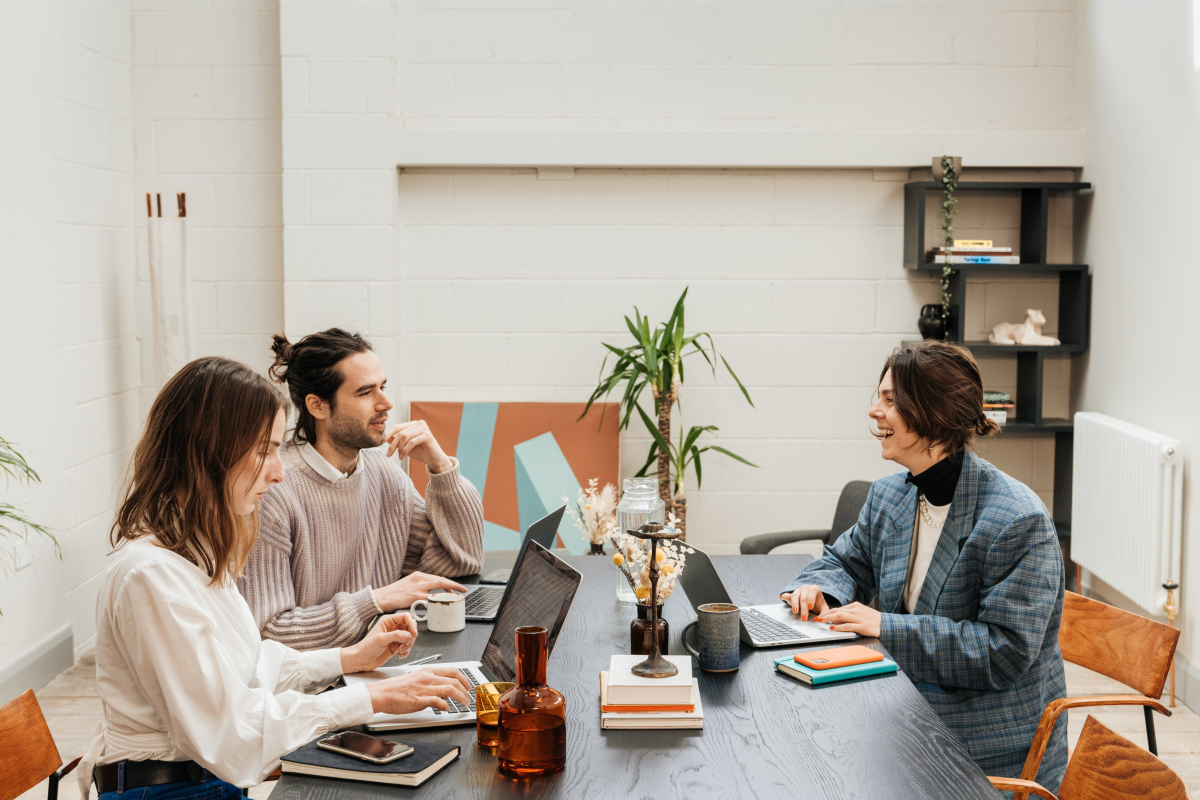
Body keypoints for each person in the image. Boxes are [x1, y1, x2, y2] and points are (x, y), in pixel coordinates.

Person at [80, 357, 472, 800]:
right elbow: (232, 735)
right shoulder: (151, 576)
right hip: (168, 790)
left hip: (205, 781)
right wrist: (371, 699)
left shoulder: (197, 550)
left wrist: (349, 659)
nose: (279, 471)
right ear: (209, 451)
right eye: (264, 450)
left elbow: (250, 667)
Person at [780, 340, 1067, 792]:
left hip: (981, 739)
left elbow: (1002, 652)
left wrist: (884, 626)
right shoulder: (890, 495)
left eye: (891, 400)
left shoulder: (1016, 519)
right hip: (901, 701)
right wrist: (820, 589)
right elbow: (843, 560)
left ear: (934, 412)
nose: (874, 411)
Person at [238, 328, 485, 650]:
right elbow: (269, 632)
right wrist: (376, 601)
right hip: (318, 675)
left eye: (383, 387)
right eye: (366, 393)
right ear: (317, 406)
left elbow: (461, 561)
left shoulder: (383, 471)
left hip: (381, 656)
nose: (386, 403)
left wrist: (441, 468)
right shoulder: (272, 492)